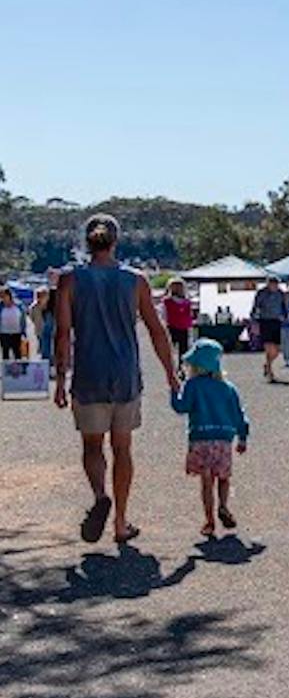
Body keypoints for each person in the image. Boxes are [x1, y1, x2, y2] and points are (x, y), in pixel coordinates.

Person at [53, 213, 181, 545]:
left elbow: (62, 335)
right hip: (124, 376)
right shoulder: (136, 280)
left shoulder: (70, 281)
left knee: (92, 445)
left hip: (89, 374)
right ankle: (121, 523)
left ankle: (99, 496)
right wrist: (171, 372)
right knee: (122, 448)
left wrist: (59, 380)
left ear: (87, 242)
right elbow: (156, 329)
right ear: (116, 241)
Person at [169, 337, 249, 539]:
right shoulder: (228, 388)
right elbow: (238, 414)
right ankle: (223, 505)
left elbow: (182, 407)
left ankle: (209, 520)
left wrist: (174, 390)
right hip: (223, 439)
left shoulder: (193, 385)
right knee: (223, 477)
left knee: (206, 481)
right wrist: (242, 437)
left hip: (201, 438)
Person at [250, 275, 289, 382]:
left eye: (276, 284)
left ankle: (267, 365)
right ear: (268, 284)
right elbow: (255, 307)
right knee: (268, 347)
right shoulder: (261, 293)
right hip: (265, 321)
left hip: (276, 321)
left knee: (277, 349)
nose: (275, 286)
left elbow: (284, 306)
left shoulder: (280, 293)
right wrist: (254, 322)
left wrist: (285, 316)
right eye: (272, 283)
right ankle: (270, 372)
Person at [162, 278, 196, 356]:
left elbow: (189, 315)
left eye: (179, 286)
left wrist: (190, 323)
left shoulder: (187, 302)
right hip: (171, 327)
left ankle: (182, 366)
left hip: (184, 327)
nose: (177, 289)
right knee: (170, 348)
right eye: (174, 286)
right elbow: (164, 314)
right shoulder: (167, 301)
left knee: (184, 349)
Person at [0, 288, 24, 359]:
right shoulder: (0, 306)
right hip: (4, 333)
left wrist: (23, 332)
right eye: (2, 297)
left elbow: (23, 319)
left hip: (16, 333)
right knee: (5, 352)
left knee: (17, 352)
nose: (4, 299)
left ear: (9, 296)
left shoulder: (18, 305)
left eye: (5, 296)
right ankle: (6, 369)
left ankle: (19, 369)